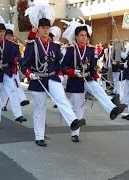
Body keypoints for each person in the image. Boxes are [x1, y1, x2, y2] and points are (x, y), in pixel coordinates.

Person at [23, 1, 86, 146]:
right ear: (38, 30)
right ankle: (39, 136)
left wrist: (58, 73)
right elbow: (24, 64)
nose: (45, 31)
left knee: (62, 99)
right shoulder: (32, 46)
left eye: (47, 28)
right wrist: (29, 74)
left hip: (52, 77)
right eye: (43, 28)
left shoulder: (54, 46)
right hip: (38, 78)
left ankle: (73, 122)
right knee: (39, 109)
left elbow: (59, 64)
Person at [61, 19, 126, 142]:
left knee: (98, 89)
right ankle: (75, 133)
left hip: (87, 78)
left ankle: (112, 109)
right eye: (81, 35)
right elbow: (63, 67)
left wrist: (96, 74)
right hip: (75, 81)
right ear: (76, 37)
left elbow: (92, 67)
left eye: (85, 35)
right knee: (78, 107)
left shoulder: (90, 50)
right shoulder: (70, 50)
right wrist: (72, 72)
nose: (84, 38)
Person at [4, 22, 30, 107]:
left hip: (13, 69)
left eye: (10, 36)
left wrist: (16, 59)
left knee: (17, 85)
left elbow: (18, 55)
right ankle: (3, 104)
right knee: (7, 89)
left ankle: (22, 99)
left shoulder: (15, 46)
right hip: (4, 69)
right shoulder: (2, 45)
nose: (9, 37)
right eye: (7, 35)